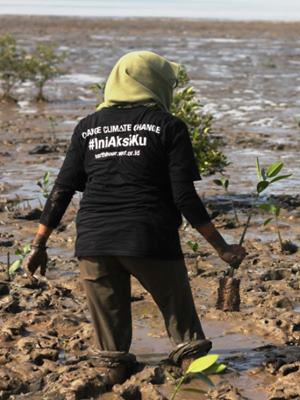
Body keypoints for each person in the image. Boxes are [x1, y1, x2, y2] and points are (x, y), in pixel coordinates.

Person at [23, 51, 247, 384]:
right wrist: (222, 248)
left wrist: (39, 244)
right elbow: (184, 197)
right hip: (149, 239)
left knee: (111, 358)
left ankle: (114, 376)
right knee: (189, 348)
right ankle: (197, 385)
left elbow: (62, 190)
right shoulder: (168, 127)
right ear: (154, 83)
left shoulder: (86, 129)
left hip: (94, 244)